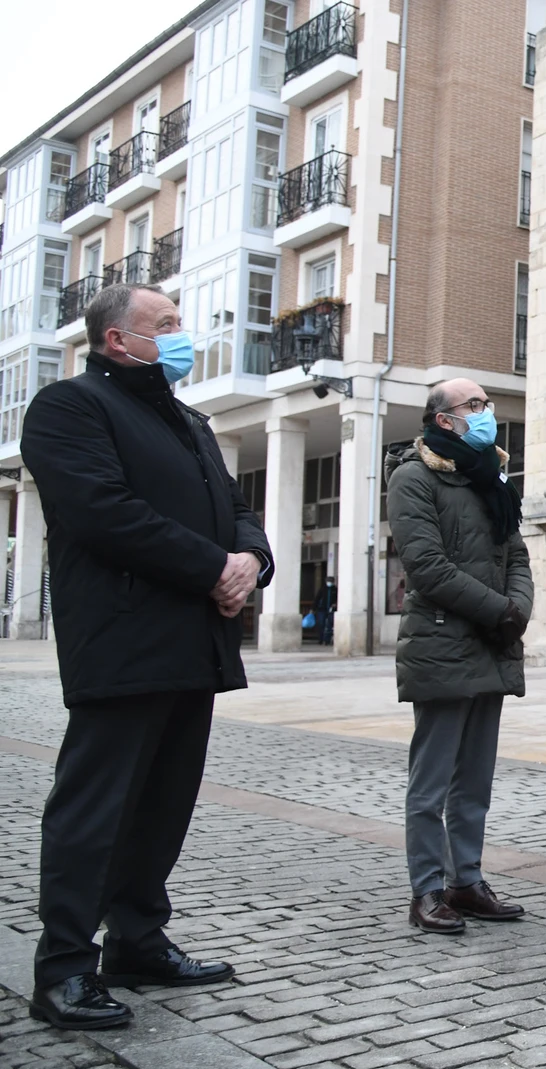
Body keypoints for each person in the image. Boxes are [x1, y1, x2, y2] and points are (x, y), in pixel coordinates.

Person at [20, 284, 273, 1029]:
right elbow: (105, 511)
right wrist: (212, 566)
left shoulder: (190, 420)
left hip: (193, 644)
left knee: (165, 803)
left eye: (179, 322)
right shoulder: (71, 408)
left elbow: (238, 508)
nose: (180, 333)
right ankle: (64, 966)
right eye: (163, 324)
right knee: (95, 809)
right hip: (123, 643)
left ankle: (136, 938)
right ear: (115, 341)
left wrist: (250, 561)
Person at [386, 379, 534, 934]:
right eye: (473, 406)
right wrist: (500, 611)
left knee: (474, 779)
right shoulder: (413, 477)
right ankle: (426, 890)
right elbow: (426, 567)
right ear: (443, 420)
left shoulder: (489, 477)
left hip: (492, 644)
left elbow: (515, 553)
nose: (485, 412)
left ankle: (465, 881)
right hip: (443, 644)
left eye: (486, 405)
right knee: (432, 781)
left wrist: (517, 607)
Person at [313, 576, 337, 645]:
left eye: (331, 581)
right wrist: (313, 608)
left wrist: (335, 604)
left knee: (330, 625)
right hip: (322, 609)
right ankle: (320, 639)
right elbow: (317, 599)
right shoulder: (322, 589)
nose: (329, 583)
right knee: (321, 624)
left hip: (332, 610)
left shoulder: (335, 590)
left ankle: (327, 640)